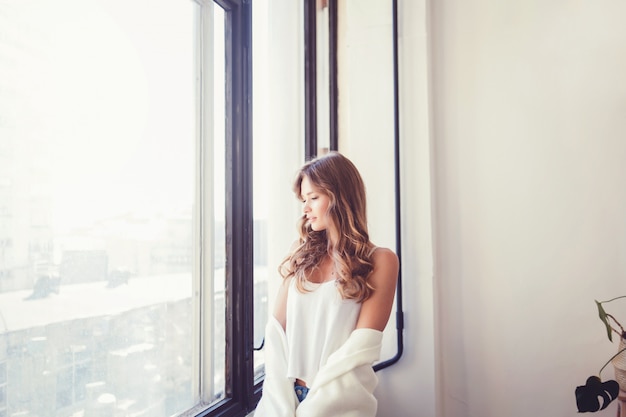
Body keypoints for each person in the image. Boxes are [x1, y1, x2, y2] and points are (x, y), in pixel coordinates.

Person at [254, 151, 399, 417]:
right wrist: (281, 409)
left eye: (313, 198)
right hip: (283, 401)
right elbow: (276, 335)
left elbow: (359, 349)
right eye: (303, 200)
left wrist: (311, 412)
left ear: (339, 197)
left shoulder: (381, 261)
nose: (305, 209)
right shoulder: (301, 253)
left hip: (341, 404)